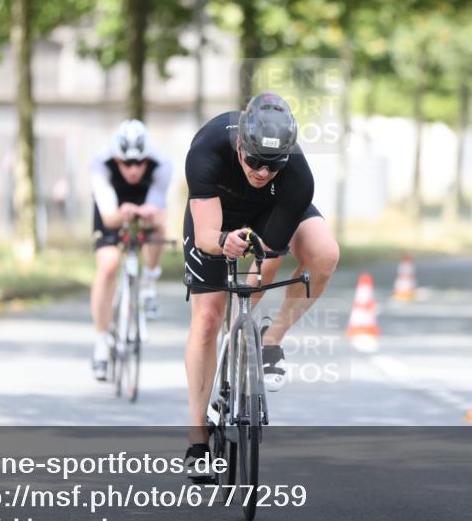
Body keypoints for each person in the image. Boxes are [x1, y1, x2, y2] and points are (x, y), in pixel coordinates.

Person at [181, 92, 340, 476]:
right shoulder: (208, 148)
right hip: (218, 216)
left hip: (272, 212)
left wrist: (248, 310)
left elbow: (268, 256)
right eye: (254, 161)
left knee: (325, 252)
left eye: (273, 165)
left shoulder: (298, 176)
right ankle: (198, 441)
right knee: (207, 320)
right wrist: (223, 242)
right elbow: (206, 235)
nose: (262, 172)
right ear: (240, 145)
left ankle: (270, 340)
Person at [89, 119, 172, 380]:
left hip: (144, 203)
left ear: (148, 159)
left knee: (158, 228)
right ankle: (102, 343)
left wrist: (149, 214)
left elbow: (159, 217)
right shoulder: (101, 166)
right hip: (112, 208)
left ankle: (147, 282)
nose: (134, 170)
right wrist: (123, 213)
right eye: (127, 163)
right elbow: (110, 218)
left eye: (140, 163)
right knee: (108, 265)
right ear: (116, 158)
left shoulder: (162, 165)